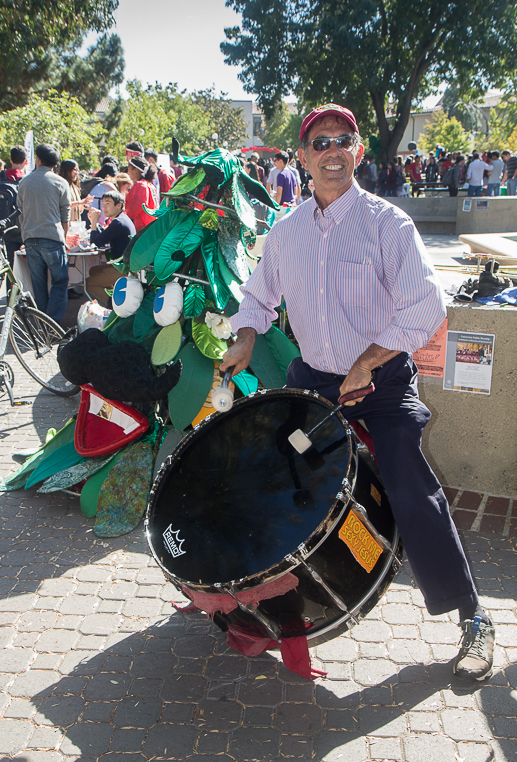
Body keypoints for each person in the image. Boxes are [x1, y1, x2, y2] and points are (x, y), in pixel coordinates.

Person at [221, 102, 495, 681]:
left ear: (359, 151)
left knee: (409, 486)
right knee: (275, 471)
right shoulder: (286, 231)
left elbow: (426, 306)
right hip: (315, 381)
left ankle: (472, 619)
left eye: (342, 140)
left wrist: (370, 360)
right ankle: (263, 599)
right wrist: (245, 338)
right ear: (302, 157)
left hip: (381, 382)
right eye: (319, 143)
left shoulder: (388, 224)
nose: (332, 151)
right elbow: (257, 298)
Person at [17, 143, 71, 324]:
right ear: (54, 163)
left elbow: (21, 213)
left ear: (38, 159)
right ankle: (52, 324)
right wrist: (64, 235)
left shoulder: (24, 182)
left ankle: (42, 324)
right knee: (60, 281)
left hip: (31, 238)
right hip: (53, 238)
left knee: (38, 285)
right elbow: (65, 215)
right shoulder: (60, 182)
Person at [87, 190, 136, 307]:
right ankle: (114, 297)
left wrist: (94, 222)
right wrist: (94, 223)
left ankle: (113, 306)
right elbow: (104, 236)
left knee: (88, 284)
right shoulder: (122, 219)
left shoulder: (118, 222)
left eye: (107, 203)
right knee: (92, 271)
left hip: (123, 269)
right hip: (126, 266)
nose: (104, 207)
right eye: (103, 204)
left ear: (118, 205)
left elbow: (95, 243)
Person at [0, 145, 27, 284]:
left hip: (6, 227)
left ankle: (11, 293)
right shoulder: (27, 180)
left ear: (10, 159)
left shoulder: (1, 177)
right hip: (25, 229)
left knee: (10, 266)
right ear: (26, 161)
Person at [125, 156, 158, 232]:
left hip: (142, 227)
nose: (128, 172)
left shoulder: (141, 185)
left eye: (129, 169)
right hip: (151, 226)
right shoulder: (150, 185)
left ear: (136, 170)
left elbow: (132, 210)